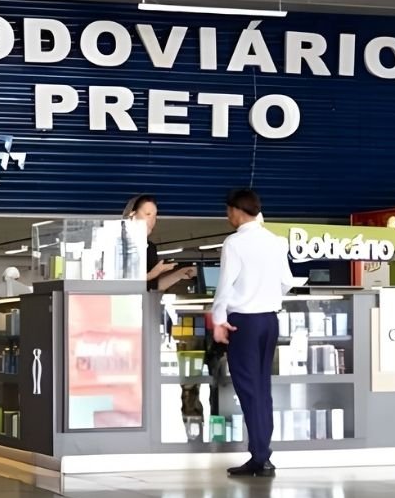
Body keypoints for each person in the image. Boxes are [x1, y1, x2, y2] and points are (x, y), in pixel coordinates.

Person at [210, 188, 296, 478]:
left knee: (248, 389)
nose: (227, 216)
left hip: (243, 323)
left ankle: (260, 456)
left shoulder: (233, 243)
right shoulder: (275, 241)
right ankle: (262, 453)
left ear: (236, 210)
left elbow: (224, 286)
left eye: (228, 211)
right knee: (262, 388)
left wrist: (219, 320)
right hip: (270, 321)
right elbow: (287, 281)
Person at [123, 195, 195, 291]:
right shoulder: (117, 244)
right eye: (148, 214)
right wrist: (154, 273)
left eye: (155, 215)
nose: (152, 220)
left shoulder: (150, 248)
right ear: (132, 215)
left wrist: (179, 274)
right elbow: (121, 284)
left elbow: (153, 286)